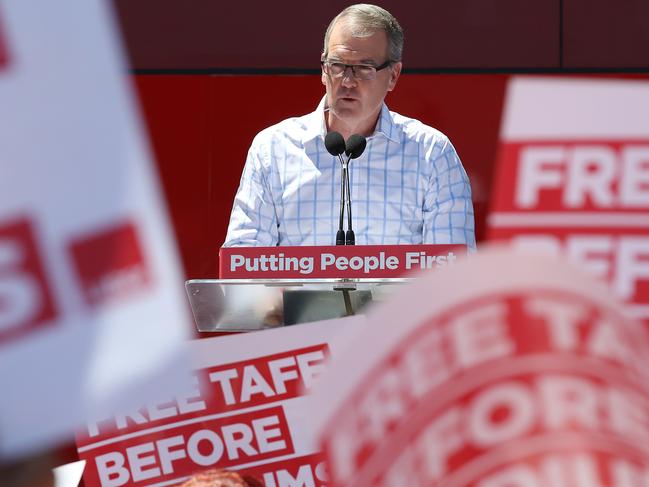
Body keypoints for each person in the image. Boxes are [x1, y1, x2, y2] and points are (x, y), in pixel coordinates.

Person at [224, 4, 475, 249]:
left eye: (364, 69)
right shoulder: (273, 149)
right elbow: (243, 261)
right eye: (338, 66)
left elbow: (450, 271)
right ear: (323, 70)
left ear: (393, 75)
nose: (347, 81)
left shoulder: (432, 153)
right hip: (294, 294)